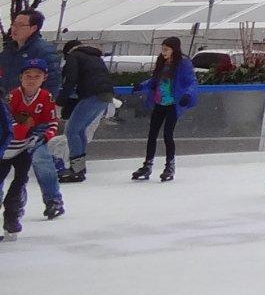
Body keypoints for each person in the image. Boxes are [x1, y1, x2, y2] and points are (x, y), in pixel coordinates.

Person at [2, 9, 63, 217]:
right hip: (9, 114)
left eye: (20, 25)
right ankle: (12, 203)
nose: (14, 28)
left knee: (39, 155)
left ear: (33, 28)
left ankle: (53, 199)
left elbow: (53, 83)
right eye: (14, 24)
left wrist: (39, 110)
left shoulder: (43, 51)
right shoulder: (8, 50)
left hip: (34, 115)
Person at [3, 57, 59, 237]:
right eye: (28, 75)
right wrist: (23, 127)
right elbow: (6, 124)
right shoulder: (11, 97)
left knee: (19, 182)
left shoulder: (46, 98)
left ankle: (13, 217)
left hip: (26, 149)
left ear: (44, 78)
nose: (32, 79)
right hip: (5, 149)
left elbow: (51, 122)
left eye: (37, 75)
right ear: (20, 77)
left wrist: (43, 136)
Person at [131, 36, 199, 184]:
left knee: (168, 134)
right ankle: (147, 165)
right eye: (162, 49)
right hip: (159, 102)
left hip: (173, 104)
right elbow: (155, 80)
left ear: (174, 49)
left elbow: (192, 82)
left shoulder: (183, 64)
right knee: (152, 134)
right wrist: (142, 85)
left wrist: (188, 95)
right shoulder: (162, 62)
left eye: (166, 49)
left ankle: (170, 166)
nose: (163, 52)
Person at [57, 40, 115, 184]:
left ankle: (76, 170)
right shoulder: (94, 56)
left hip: (92, 95)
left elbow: (70, 80)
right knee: (80, 129)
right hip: (106, 95)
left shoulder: (74, 56)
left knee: (71, 131)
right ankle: (79, 168)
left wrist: (60, 102)